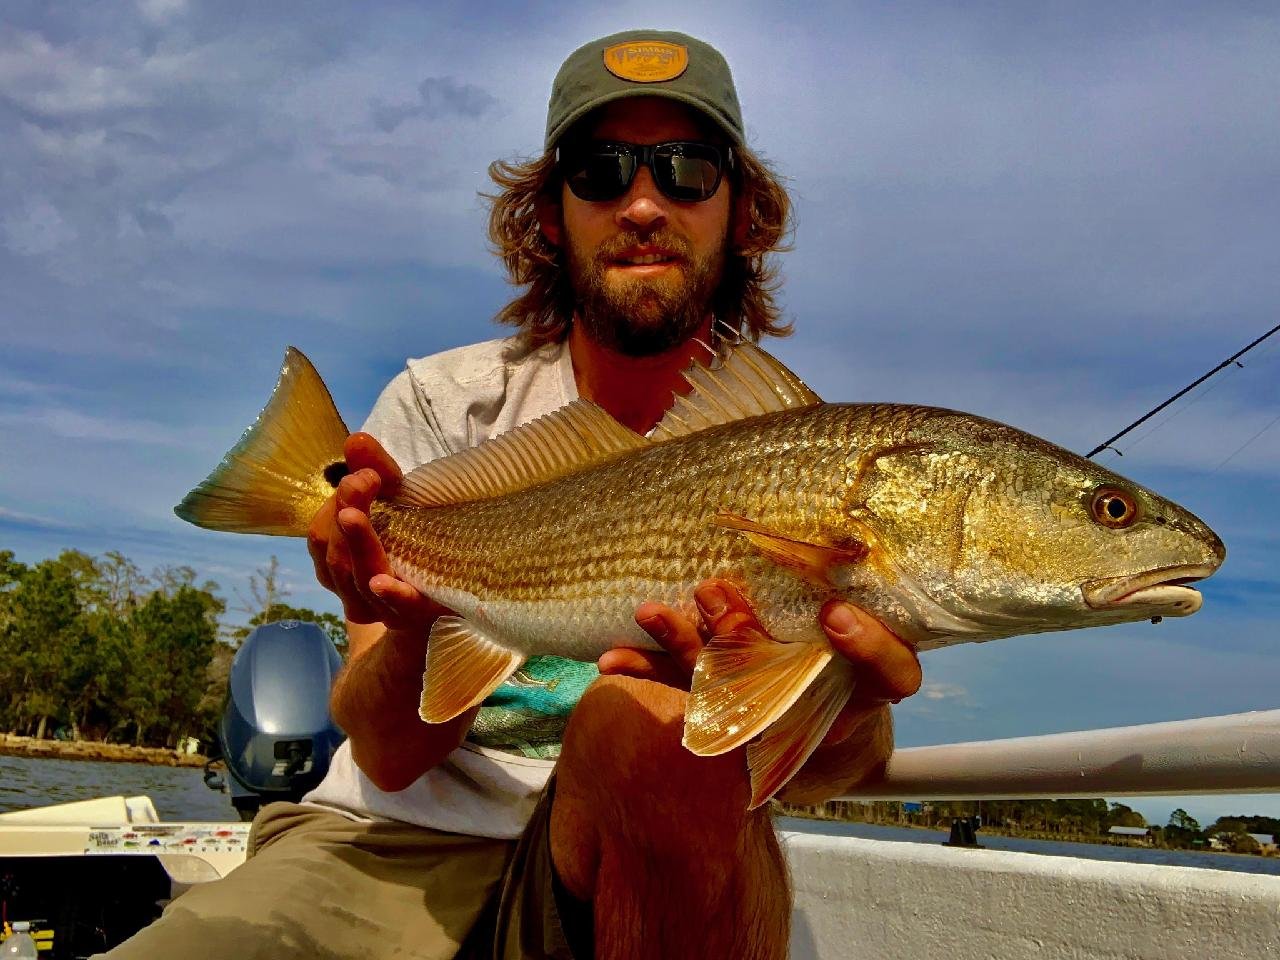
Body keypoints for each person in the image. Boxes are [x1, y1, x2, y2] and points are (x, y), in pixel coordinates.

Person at [102, 29, 921, 960]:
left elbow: (825, 779)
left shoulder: (806, 452)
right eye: (599, 169)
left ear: (741, 212)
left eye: (687, 169)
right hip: (390, 841)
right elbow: (389, 755)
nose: (644, 202)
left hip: (647, 853)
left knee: (645, 723)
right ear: (548, 212)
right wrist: (410, 624)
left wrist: (850, 710)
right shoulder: (441, 405)